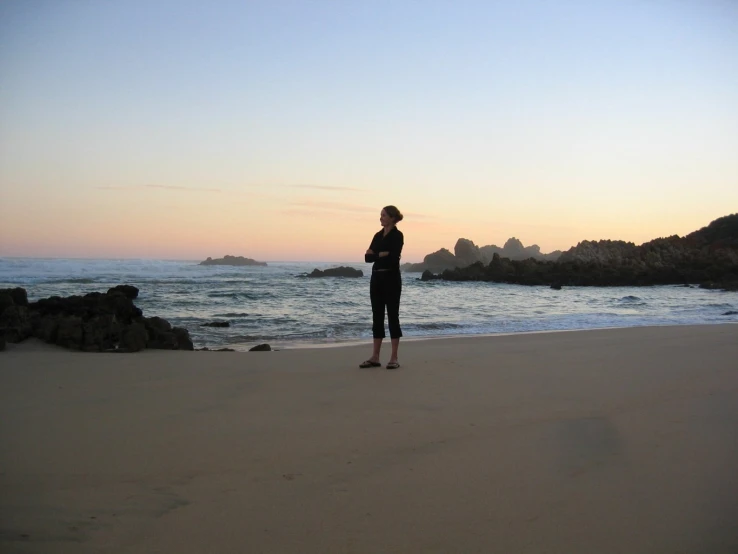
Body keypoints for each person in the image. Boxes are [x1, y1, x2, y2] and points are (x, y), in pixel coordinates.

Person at [360, 205, 404, 369]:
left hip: (391, 279)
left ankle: (394, 357)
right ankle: (375, 356)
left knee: (393, 315)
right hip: (376, 278)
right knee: (377, 316)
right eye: (381, 215)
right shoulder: (377, 235)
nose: (381, 218)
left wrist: (376, 254)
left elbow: (393, 258)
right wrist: (381, 254)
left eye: (384, 215)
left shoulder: (397, 235)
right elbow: (367, 257)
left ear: (392, 218)